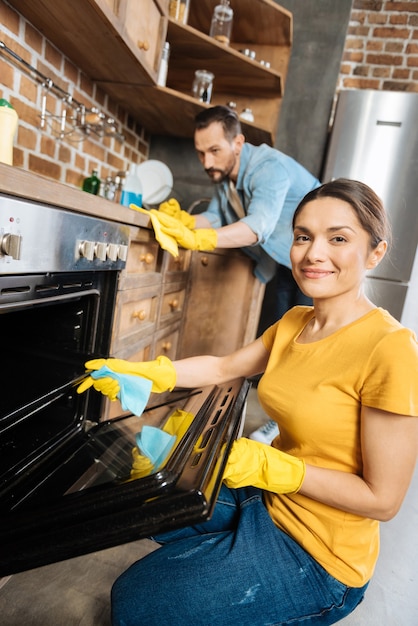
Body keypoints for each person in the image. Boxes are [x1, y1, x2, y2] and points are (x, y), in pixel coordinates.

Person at [79, 178, 418, 626]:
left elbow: (383, 501)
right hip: (271, 501)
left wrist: (274, 466)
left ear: (375, 252)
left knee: (137, 601)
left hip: (320, 553)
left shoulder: (391, 348)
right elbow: (223, 368)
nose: (314, 253)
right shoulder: (297, 320)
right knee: (145, 502)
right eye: (303, 236)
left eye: (338, 238)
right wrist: (148, 372)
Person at [157, 105, 321, 443]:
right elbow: (216, 216)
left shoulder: (268, 168)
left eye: (214, 150)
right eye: (201, 152)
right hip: (282, 260)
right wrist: (183, 223)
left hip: (317, 261)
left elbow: (257, 227)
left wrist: (202, 239)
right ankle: (274, 419)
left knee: (306, 346)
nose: (207, 162)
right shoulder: (225, 176)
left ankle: (289, 429)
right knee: (281, 339)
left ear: (238, 143)